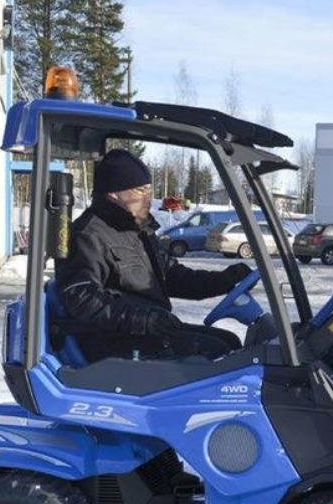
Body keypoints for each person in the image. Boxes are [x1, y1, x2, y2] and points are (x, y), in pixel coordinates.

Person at [54, 149, 253, 363]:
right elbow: (80, 296)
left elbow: (174, 277)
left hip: (146, 332)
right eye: (141, 190)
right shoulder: (88, 235)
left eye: (149, 189)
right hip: (112, 341)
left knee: (230, 343)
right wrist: (142, 319)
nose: (149, 198)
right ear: (114, 193)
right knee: (217, 352)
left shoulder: (136, 230)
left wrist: (224, 280)